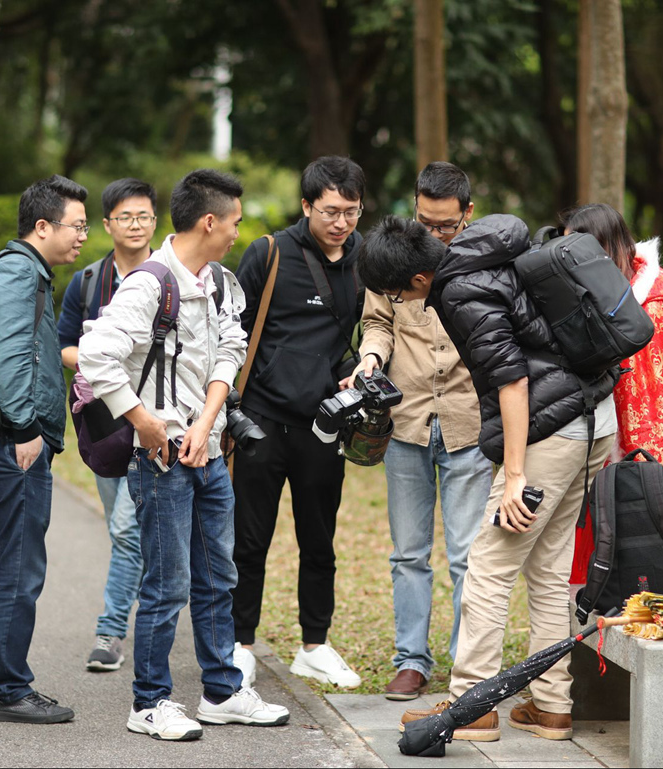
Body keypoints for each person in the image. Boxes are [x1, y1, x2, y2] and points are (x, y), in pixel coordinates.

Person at [355, 215, 619, 742]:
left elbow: (513, 381)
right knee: (548, 569)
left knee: (488, 568)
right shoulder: (483, 258)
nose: (399, 303)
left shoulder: (461, 293)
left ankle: (470, 704)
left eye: (397, 294)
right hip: (593, 417)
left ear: (419, 280)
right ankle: (552, 706)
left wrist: (515, 474)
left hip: (553, 430)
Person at [79, 169, 289, 742]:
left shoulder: (219, 281)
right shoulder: (148, 284)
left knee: (219, 575)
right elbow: (95, 356)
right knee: (167, 584)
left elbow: (231, 349)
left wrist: (205, 421)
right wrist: (145, 423)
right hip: (160, 461)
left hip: (209, 452)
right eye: (235, 222)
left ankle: (221, 693)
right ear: (210, 221)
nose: (238, 232)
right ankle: (148, 703)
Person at [0, 174, 87, 724]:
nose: (82, 237)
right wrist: (26, 428)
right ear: (43, 226)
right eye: (76, 226)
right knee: (19, 565)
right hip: (12, 441)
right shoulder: (19, 273)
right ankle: (6, 689)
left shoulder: (24, 272)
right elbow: (6, 357)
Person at [352, 162, 491, 700]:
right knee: (408, 553)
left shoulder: (483, 258)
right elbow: (377, 322)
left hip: (466, 423)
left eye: (445, 226)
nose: (432, 234)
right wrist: (370, 358)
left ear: (467, 213)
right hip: (406, 422)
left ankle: (466, 664)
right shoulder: (394, 255)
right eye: (424, 221)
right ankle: (411, 660)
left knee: (466, 554)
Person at [228, 156, 368, 689]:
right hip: (262, 420)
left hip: (323, 424)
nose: (341, 222)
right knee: (249, 540)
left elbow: (371, 329)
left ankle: (315, 644)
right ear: (307, 205)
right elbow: (233, 331)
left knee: (319, 539)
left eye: (351, 212)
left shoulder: (364, 259)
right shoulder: (269, 253)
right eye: (330, 211)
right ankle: (240, 645)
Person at [57, 178, 160, 672]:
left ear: (155, 222)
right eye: (125, 217)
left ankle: (111, 631)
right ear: (107, 224)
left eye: (143, 216)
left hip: (155, 419)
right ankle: (158, 606)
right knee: (127, 530)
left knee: (125, 527)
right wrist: (102, 360)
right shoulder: (88, 281)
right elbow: (62, 344)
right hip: (103, 422)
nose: (135, 225)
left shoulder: (170, 277)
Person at [560, 203, 663, 587]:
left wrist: (639, 471)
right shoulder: (592, 294)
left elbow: (653, 405)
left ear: (603, 247)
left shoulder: (650, 305)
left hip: (631, 458)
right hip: (594, 442)